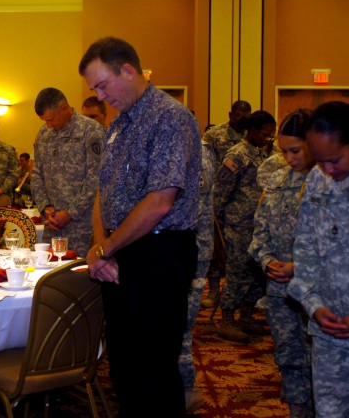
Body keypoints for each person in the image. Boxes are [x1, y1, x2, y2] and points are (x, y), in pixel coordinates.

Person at [79, 36, 201, 417]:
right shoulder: (119, 125)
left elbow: (160, 202)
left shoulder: (170, 117)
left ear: (128, 70)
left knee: (155, 367)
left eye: (102, 85)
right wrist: (101, 248)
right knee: (124, 364)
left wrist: (107, 248)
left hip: (160, 254)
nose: (100, 96)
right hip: (121, 251)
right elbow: (104, 192)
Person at [287, 101, 349, 417]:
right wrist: (313, 304)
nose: (328, 169)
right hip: (327, 334)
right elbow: (305, 247)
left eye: (335, 159)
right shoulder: (317, 179)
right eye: (321, 160)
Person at [248, 109, 315, 417]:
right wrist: (266, 261)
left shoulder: (328, 183)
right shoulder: (275, 181)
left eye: (295, 150)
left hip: (316, 293)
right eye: (282, 151)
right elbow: (259, 232)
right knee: (289, 358)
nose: (288, 158)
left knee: (321, 362)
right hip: (279, 293)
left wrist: (297, 267)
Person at [215, 110, 275, 343]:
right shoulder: (237, 154)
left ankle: (247, 317)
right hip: (238, 224)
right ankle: (227, 320)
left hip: (256, 223)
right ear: (253, 130)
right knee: (237, 272)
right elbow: (221, 189)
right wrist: (218, 219)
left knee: (256, 272)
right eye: (266, 134)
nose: (268, 139)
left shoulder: (259, 154)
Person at [31, 87, 105, 257]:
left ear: (64, 108)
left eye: (51, 119)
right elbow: (36, 174)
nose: (48, 125)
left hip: (83, 225)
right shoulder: (44, 133)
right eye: (45, 121)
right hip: (53, 225)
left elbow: (96, 177)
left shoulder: (90, 130)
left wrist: (71, 213)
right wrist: (45, 207)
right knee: (52, 276)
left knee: (80, 277)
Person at [200, 100, 252, 310]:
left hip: (240, 204)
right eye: (238, 115)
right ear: (231, 114)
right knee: (214, 249)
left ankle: (236, 295)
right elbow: (205, 166)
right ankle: (213, 289)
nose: (242, 119)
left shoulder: (251, 137)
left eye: (246, 116)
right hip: (215, 200)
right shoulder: (214, 135)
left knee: (237, 253)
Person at [179, 138, 216, 413]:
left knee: (181, 326)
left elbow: (191, 205)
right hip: (174, 250)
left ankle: (185, 391)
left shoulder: (197, 152)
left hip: (192, 251)